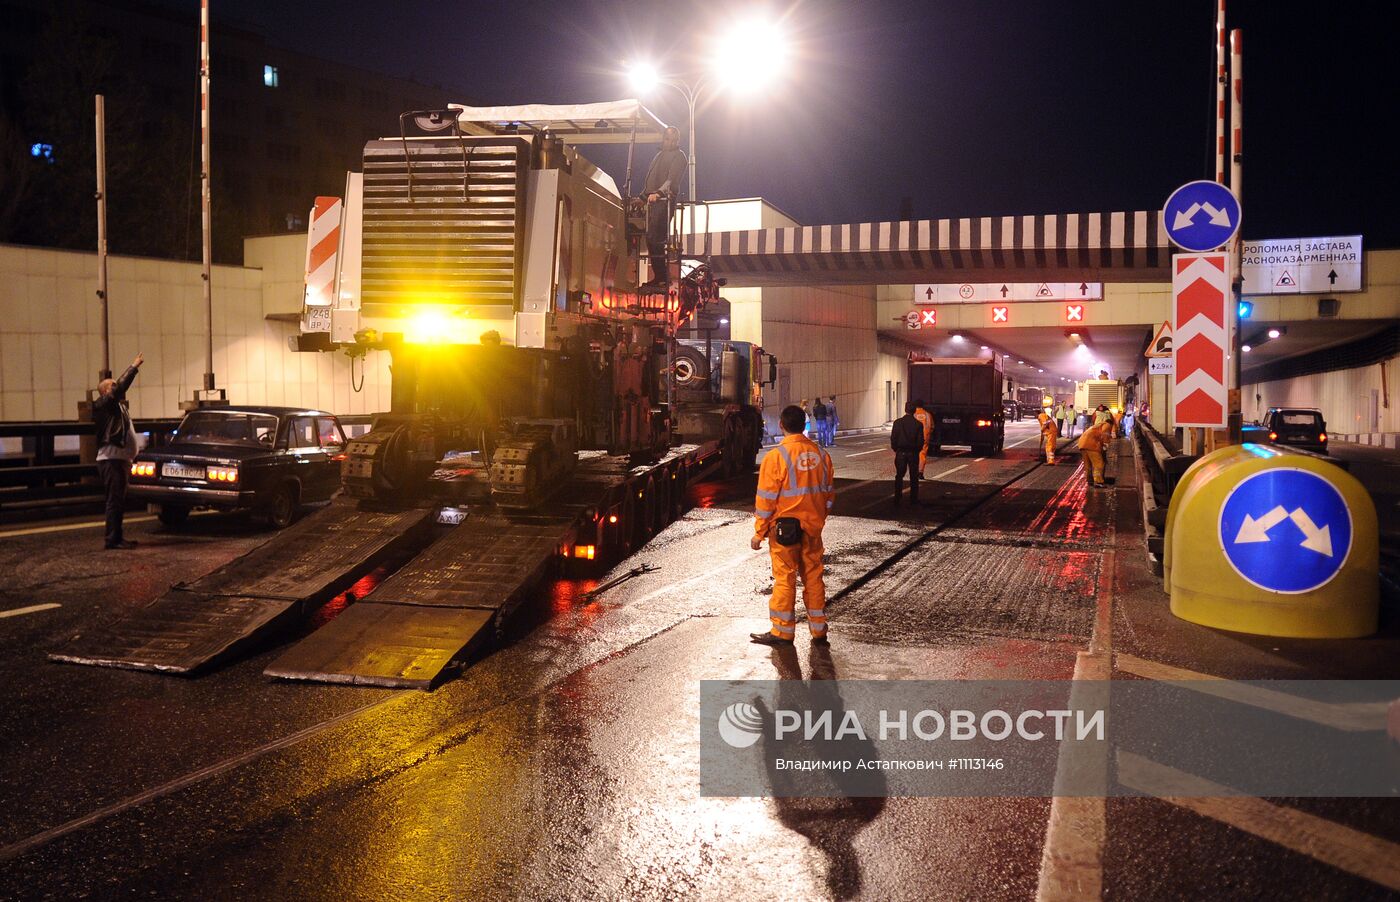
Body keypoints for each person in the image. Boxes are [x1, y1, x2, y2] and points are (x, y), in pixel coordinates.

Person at [750, 404, 835, 646]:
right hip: (812, 529)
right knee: (814, 578)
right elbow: (829, 495)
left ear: (782, 426)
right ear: (805, 424)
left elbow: (766, 500)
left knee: (785, 579)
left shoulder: (776, 457)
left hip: (784, 532)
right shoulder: (821, 455)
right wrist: (818, 519)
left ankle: (782, 632)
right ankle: (818, 630)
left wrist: (759, 532)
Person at [92, 353, 145, 549]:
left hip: (120, 460)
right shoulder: (102, 405)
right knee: (114, 501)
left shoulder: (116, 407)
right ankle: (112, 539)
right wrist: (134, 366)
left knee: (118, 501)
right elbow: (120, 387)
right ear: (106, 391)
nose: (117, 388)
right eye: (113, 386)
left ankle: (117, 537)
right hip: (111, 460)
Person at [641, 125, 687, 288]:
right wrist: (642, 197)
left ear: (677, 140)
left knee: (655, 237)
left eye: (673, 139)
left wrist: (659, 194)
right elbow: (651, 178)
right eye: (667, 138)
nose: (670, 142)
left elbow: (671, 180)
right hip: (653, 202)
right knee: (650, 238)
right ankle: (659, 276)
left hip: (664, 202)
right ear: (663, 139)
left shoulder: (680, 156)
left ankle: (662, 277)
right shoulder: (658, 156)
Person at [891, 401, 925, 504]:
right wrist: (916, 450)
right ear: (914, 411)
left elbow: (893, 438)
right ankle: (913, 498)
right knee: (914, 476)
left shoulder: (897, 423)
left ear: (905, 409)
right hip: (913, 453)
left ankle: (897, 496)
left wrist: (896, 449)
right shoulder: (918, 424)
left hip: (900, 452)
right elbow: (920, 442)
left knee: (899, 475)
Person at [1078, 418, 1113, 488]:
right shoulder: (1107, 425)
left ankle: (1090, 480)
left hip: (1082, 443)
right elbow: (1105, 434)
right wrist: (1105, 446)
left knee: (1088, 464)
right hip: (1091, 444)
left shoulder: (1097, 425)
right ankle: (1098, 481)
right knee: (1099, 464)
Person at [913, 399, 934, 476]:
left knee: (914, 454)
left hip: (914, 439)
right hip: (925, 438)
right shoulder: (928, 415)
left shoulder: (913, 414)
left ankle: (914, 471)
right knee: (922, 455)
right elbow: (932, 427)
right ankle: (920, 472)